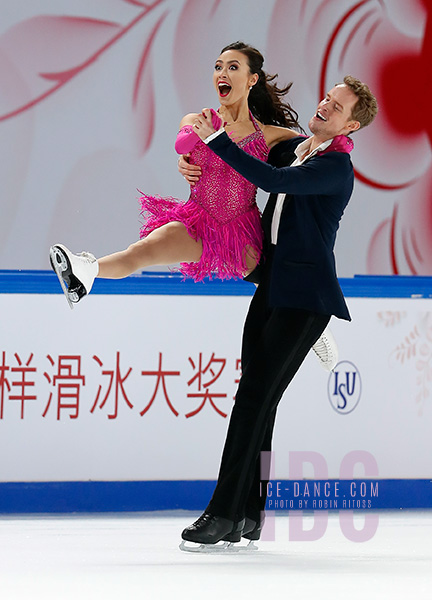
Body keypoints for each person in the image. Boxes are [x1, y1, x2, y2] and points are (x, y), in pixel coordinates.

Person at [179, 75, 378, 548]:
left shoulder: (335, 168)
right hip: (271, 288)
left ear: (350, 124)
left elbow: (269, 180)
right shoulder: (296, 149)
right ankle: (249, 513)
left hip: (306, 299)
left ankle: (222, 513)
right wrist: (196, 160)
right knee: (260, 402)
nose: (326, 104)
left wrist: (215, 140)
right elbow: (248, 152)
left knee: (252, 399)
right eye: (327, 97)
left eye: (338, 105)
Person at [50, 41, 336, 367]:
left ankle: (312, 327)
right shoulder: (198, 118)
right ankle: (86, 271)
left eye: (232, 67)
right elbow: (182, 143)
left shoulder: (271, 135)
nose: (221, 74)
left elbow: (314, 149)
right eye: (217, 67)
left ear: (252, 79)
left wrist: (333, 132)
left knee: (277, 280)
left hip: (241, 229)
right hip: (196, 222)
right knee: (141, 252)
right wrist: (194, 143)